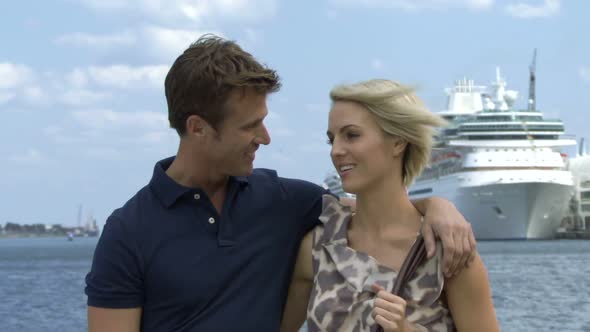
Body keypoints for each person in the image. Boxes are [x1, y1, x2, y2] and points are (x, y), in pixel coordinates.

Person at [85, 35, 477, 332]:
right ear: (198, 128)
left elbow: (378, 209)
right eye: (250, 126)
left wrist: (439, 208)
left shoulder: (288, 201)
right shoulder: (129, 233)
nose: (266, 137)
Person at [280, 79, 498, 332]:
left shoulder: (448, 251)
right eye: (332, 139)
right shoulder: (318, 246)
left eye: (352, 135)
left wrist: (405, 329)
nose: (336, 151)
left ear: (398, 141)